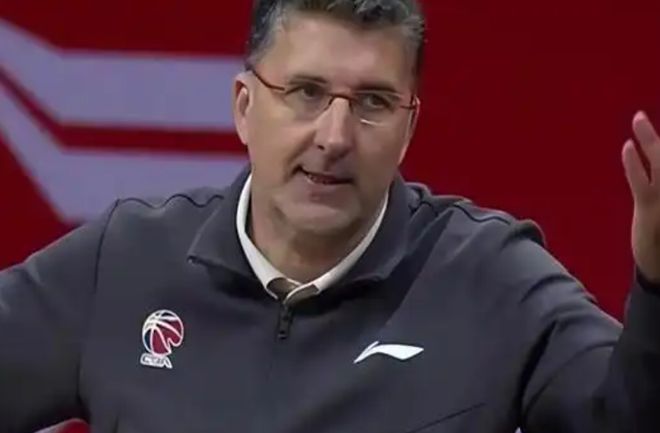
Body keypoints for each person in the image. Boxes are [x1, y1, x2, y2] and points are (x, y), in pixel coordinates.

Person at [1, 0, 659, 432]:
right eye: (307, 92)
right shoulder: (125, 264)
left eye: (372, 102)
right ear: (244, 107)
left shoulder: (489, 280)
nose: (335, 136)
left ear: (409, 127)